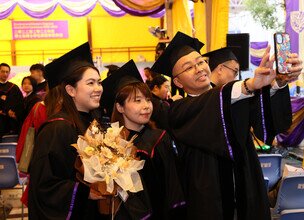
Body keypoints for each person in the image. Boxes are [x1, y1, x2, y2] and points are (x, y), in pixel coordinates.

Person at [151, 31, 302, 220]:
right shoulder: (177, 110)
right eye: (188, 67)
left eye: (200, 62)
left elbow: (264, 123)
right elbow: (214, 101)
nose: (199, 69)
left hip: (246, 186)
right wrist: (250, 85)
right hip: (209, 198)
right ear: (177, 82)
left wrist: (278, 82)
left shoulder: (233, 96)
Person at [28, 43, 105, 219]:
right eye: (91, 83)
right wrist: (85, 192)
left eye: (99, 82)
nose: (98, 88)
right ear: (70, 90)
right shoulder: (57, 128)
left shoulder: (92, 124)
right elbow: (44, 186)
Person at [104, 60, 185, 219]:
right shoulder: (109, 144)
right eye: (137, 100)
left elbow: (173, 187)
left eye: (148, 99)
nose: (147, 106)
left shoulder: (159, 138)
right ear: (120, 107)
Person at [0, 63, 24, 136]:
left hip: (11, 122)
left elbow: (20, 102)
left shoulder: (14, 87)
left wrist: (14, 112)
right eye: (3, 71)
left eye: (7, 72)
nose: (5, 74)